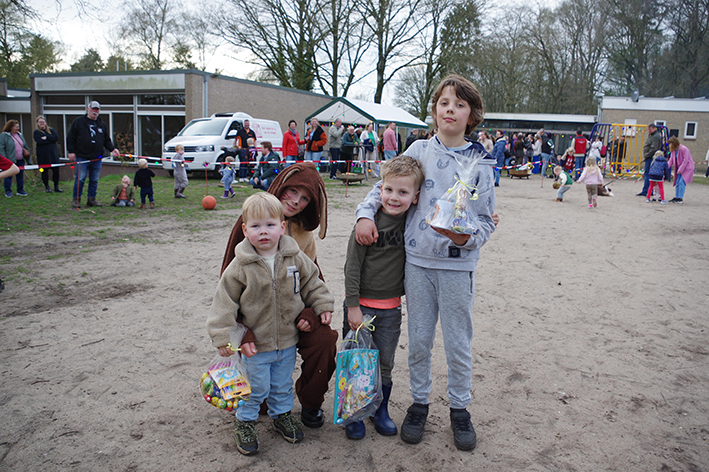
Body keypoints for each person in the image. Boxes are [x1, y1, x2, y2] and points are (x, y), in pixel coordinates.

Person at [354, 74, 496, 452]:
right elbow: (380, 187)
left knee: (457, 343)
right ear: (434, 109)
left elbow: (485, 221)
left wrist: (466, 237)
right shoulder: (418, 150)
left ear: (472, 114)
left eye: (460, 104)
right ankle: (419, 403)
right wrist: (364, 215)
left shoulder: (481, 163)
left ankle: (460, 409)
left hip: (456, 268)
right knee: (418, 342)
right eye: (445, 102)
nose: (451, 109)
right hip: (415, 265)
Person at [207, 192, 335, 456]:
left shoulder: (294, 256)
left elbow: (313, 283)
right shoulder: (240, 266)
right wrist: (223, 336)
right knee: (255, 388)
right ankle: (245, 422)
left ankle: (281, 416)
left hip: (287, 341)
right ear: (245, 230)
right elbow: (224, 302)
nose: (263, 232)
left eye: (269, 225)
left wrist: (322, 305)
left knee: (280, 384)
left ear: (282, 226)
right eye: (255, 226)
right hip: (257, 346)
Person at [343, 155, 424, 440]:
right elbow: (352, 267)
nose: (394, 197)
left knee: (384, 362)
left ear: (415, 197)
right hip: (361, 307)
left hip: (390, 309)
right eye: (389, 190)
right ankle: (355, 413)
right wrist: (353, 306)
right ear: (380, 189)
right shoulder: (367, 223)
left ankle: (380, 410)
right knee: (357, 360)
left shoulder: (414, 222)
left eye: (403, 192)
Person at [67, 101, 121, 208]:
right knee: (80, 179)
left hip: (97, 157)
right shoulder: (78, 122)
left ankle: (91, 199)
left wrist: (112, 149)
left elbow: (106, 140)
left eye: (97, 110)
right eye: (93, 109)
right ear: (88, 109)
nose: (95, 111)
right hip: (82, 156)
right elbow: (71, 138)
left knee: (94, 180)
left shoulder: (101, 124)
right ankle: (76, 200)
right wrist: (71, 151)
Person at [1, 119, 31, 198]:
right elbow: (1, 148)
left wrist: (28, 157)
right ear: (11, 127)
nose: (18, 128)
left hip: (20, 159)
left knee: (20, 175)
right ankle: (8, 191)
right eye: (16, 127)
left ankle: (20, 190)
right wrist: (5, 160)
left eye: (18, 127)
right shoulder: (4, 136)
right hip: (10, 160)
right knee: (8, 176)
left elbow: (25, 146)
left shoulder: (20, 135)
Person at [33, 115, 62, 193]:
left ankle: (56, 186)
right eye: (40, 122)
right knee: (44, 171)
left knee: (56, 171)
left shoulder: (51, 130)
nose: (42, 123)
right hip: (43, 156)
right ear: (37, 123)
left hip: (53, 155)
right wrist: (50, 139)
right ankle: (47, 187)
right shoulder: (36, 132)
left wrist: (46, 137)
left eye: (43, 122)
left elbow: (56, 138)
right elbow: (39, 141)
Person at [667, 136, 694, 204]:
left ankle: (680, 198)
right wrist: (666, 167)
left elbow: (685, 160)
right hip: (679, 168)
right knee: (677, 182)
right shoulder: (673, 151)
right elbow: (671, 160)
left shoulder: (684, 149)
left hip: (687, 168)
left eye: (670, 144)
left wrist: (680, 169)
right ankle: (676, 196)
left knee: (682, 182)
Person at [638, 123, 663, 196]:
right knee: (647, 174)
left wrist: (646, 155)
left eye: (650, 129)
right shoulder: (652, 136)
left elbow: (654, 148)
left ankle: (647, 190)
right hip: (649, 157)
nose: (649, 130)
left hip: (650, 158)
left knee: (648, 174)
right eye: (648, 129)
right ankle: (648, 190)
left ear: (654, 128)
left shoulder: (655, 137)